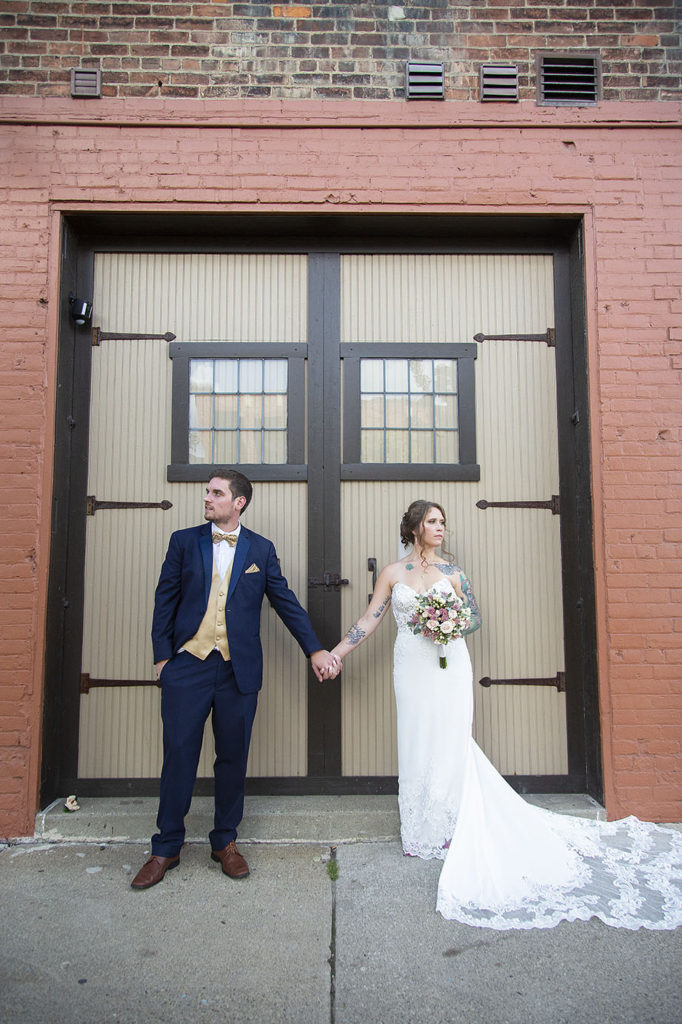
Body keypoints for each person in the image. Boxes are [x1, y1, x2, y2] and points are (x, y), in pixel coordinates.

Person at [330, 499, 682, 930]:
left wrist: (449, 623)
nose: (441, 528)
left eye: (443, 522)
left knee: (452, 737)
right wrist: (336, 652)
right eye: (433, 522)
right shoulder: (392, 573)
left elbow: (474, 617)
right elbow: (371, 618)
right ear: (415, 527)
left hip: (449, 663)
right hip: (411, 665)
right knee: (416, 737)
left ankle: (453, 823)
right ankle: (419, 830)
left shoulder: (455, 574)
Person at [131, 470, 340, 890]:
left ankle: (224, 842)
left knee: (232, 758)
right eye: (207, 491)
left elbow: (285, 602)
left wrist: (315, 648)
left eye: (216, 493)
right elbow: (163, 601)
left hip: (237, 671)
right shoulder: (184, 541)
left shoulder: (260, 549)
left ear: (238, 502)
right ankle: (166, 846)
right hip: (187, 666)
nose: (207, 498)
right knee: (178, 757)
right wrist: (161, 660)